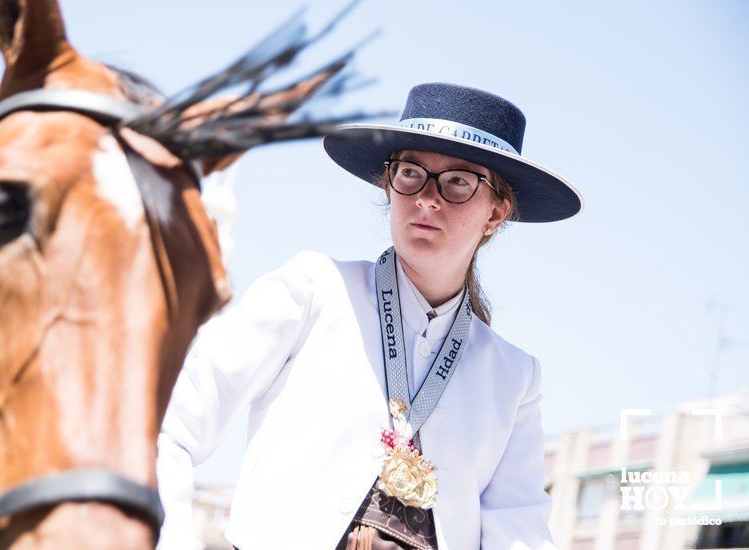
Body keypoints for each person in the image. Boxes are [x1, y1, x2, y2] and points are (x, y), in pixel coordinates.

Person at [156, 83, 582, 550]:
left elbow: (518, 535)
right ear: (389, 183)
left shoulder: (515, 377)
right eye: (410, 173)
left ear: (496, 212)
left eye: (458, 181)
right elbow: (168, 425)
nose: (427, 198)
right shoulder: (312, 289)